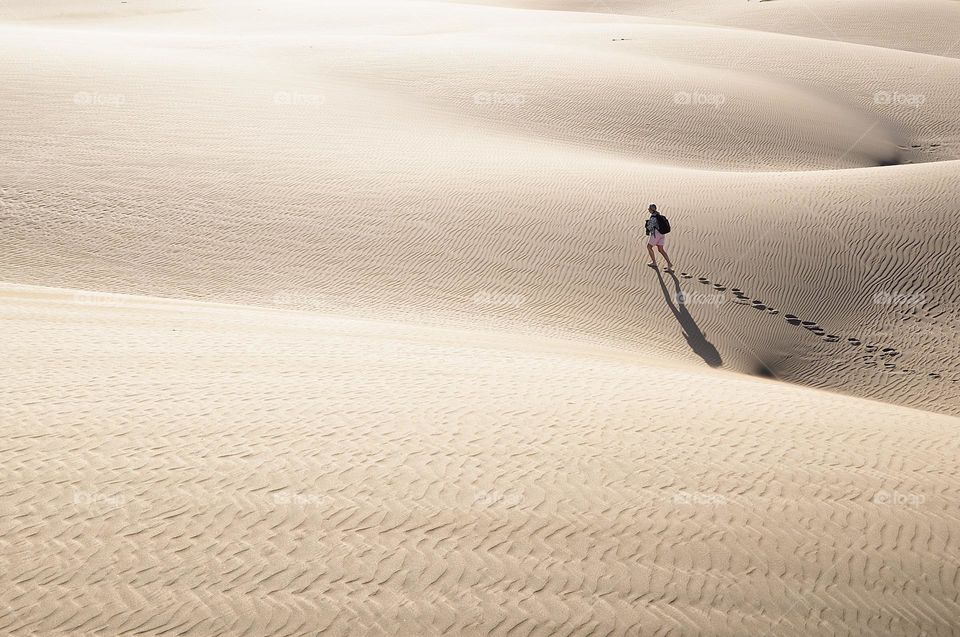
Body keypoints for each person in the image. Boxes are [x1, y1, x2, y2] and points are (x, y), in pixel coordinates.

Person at [644, 203, 673, 271]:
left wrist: (647, 224)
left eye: (649, 208)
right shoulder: (659, 215)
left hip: (656, 234)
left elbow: (650, 227)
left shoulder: (653, 217)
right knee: (661, 250)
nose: (648, 209)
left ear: (651, 210)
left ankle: (654, 262)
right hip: (662, 234)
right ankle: (669, 264)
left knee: (649, 247)